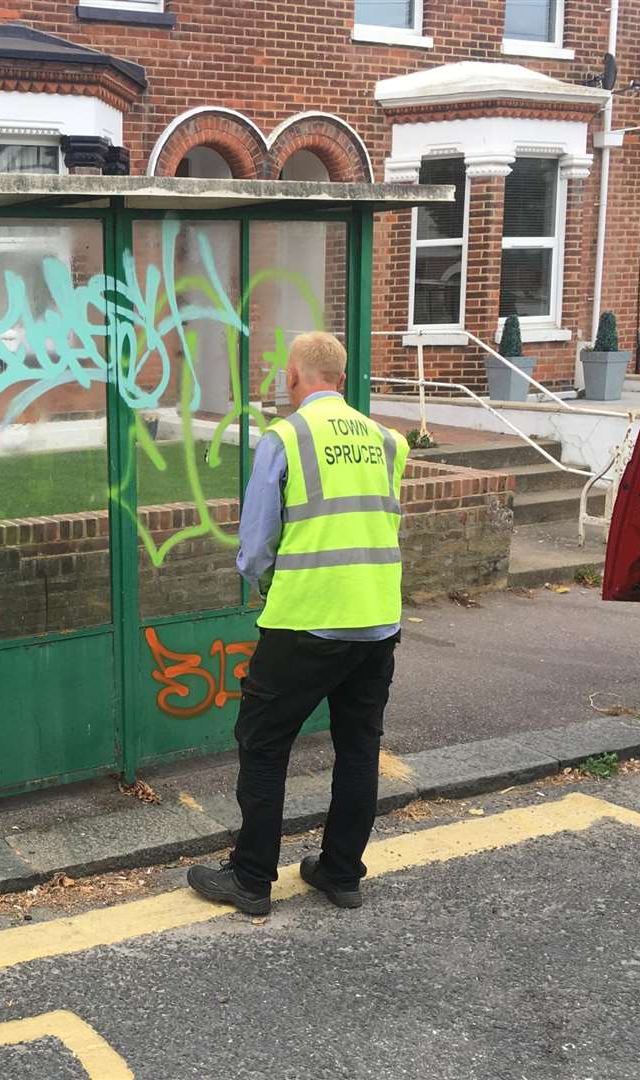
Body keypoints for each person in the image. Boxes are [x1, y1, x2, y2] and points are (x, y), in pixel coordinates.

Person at [187, 330, 407, 915]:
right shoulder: (388, 441)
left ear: (293, 378)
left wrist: (260, 580)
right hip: (378, 620)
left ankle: (251, 879)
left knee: (262, 743)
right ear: (341, 377)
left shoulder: (285, 437)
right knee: (359, 748)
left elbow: (257, 541)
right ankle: (339, 873)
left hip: (306, 620)